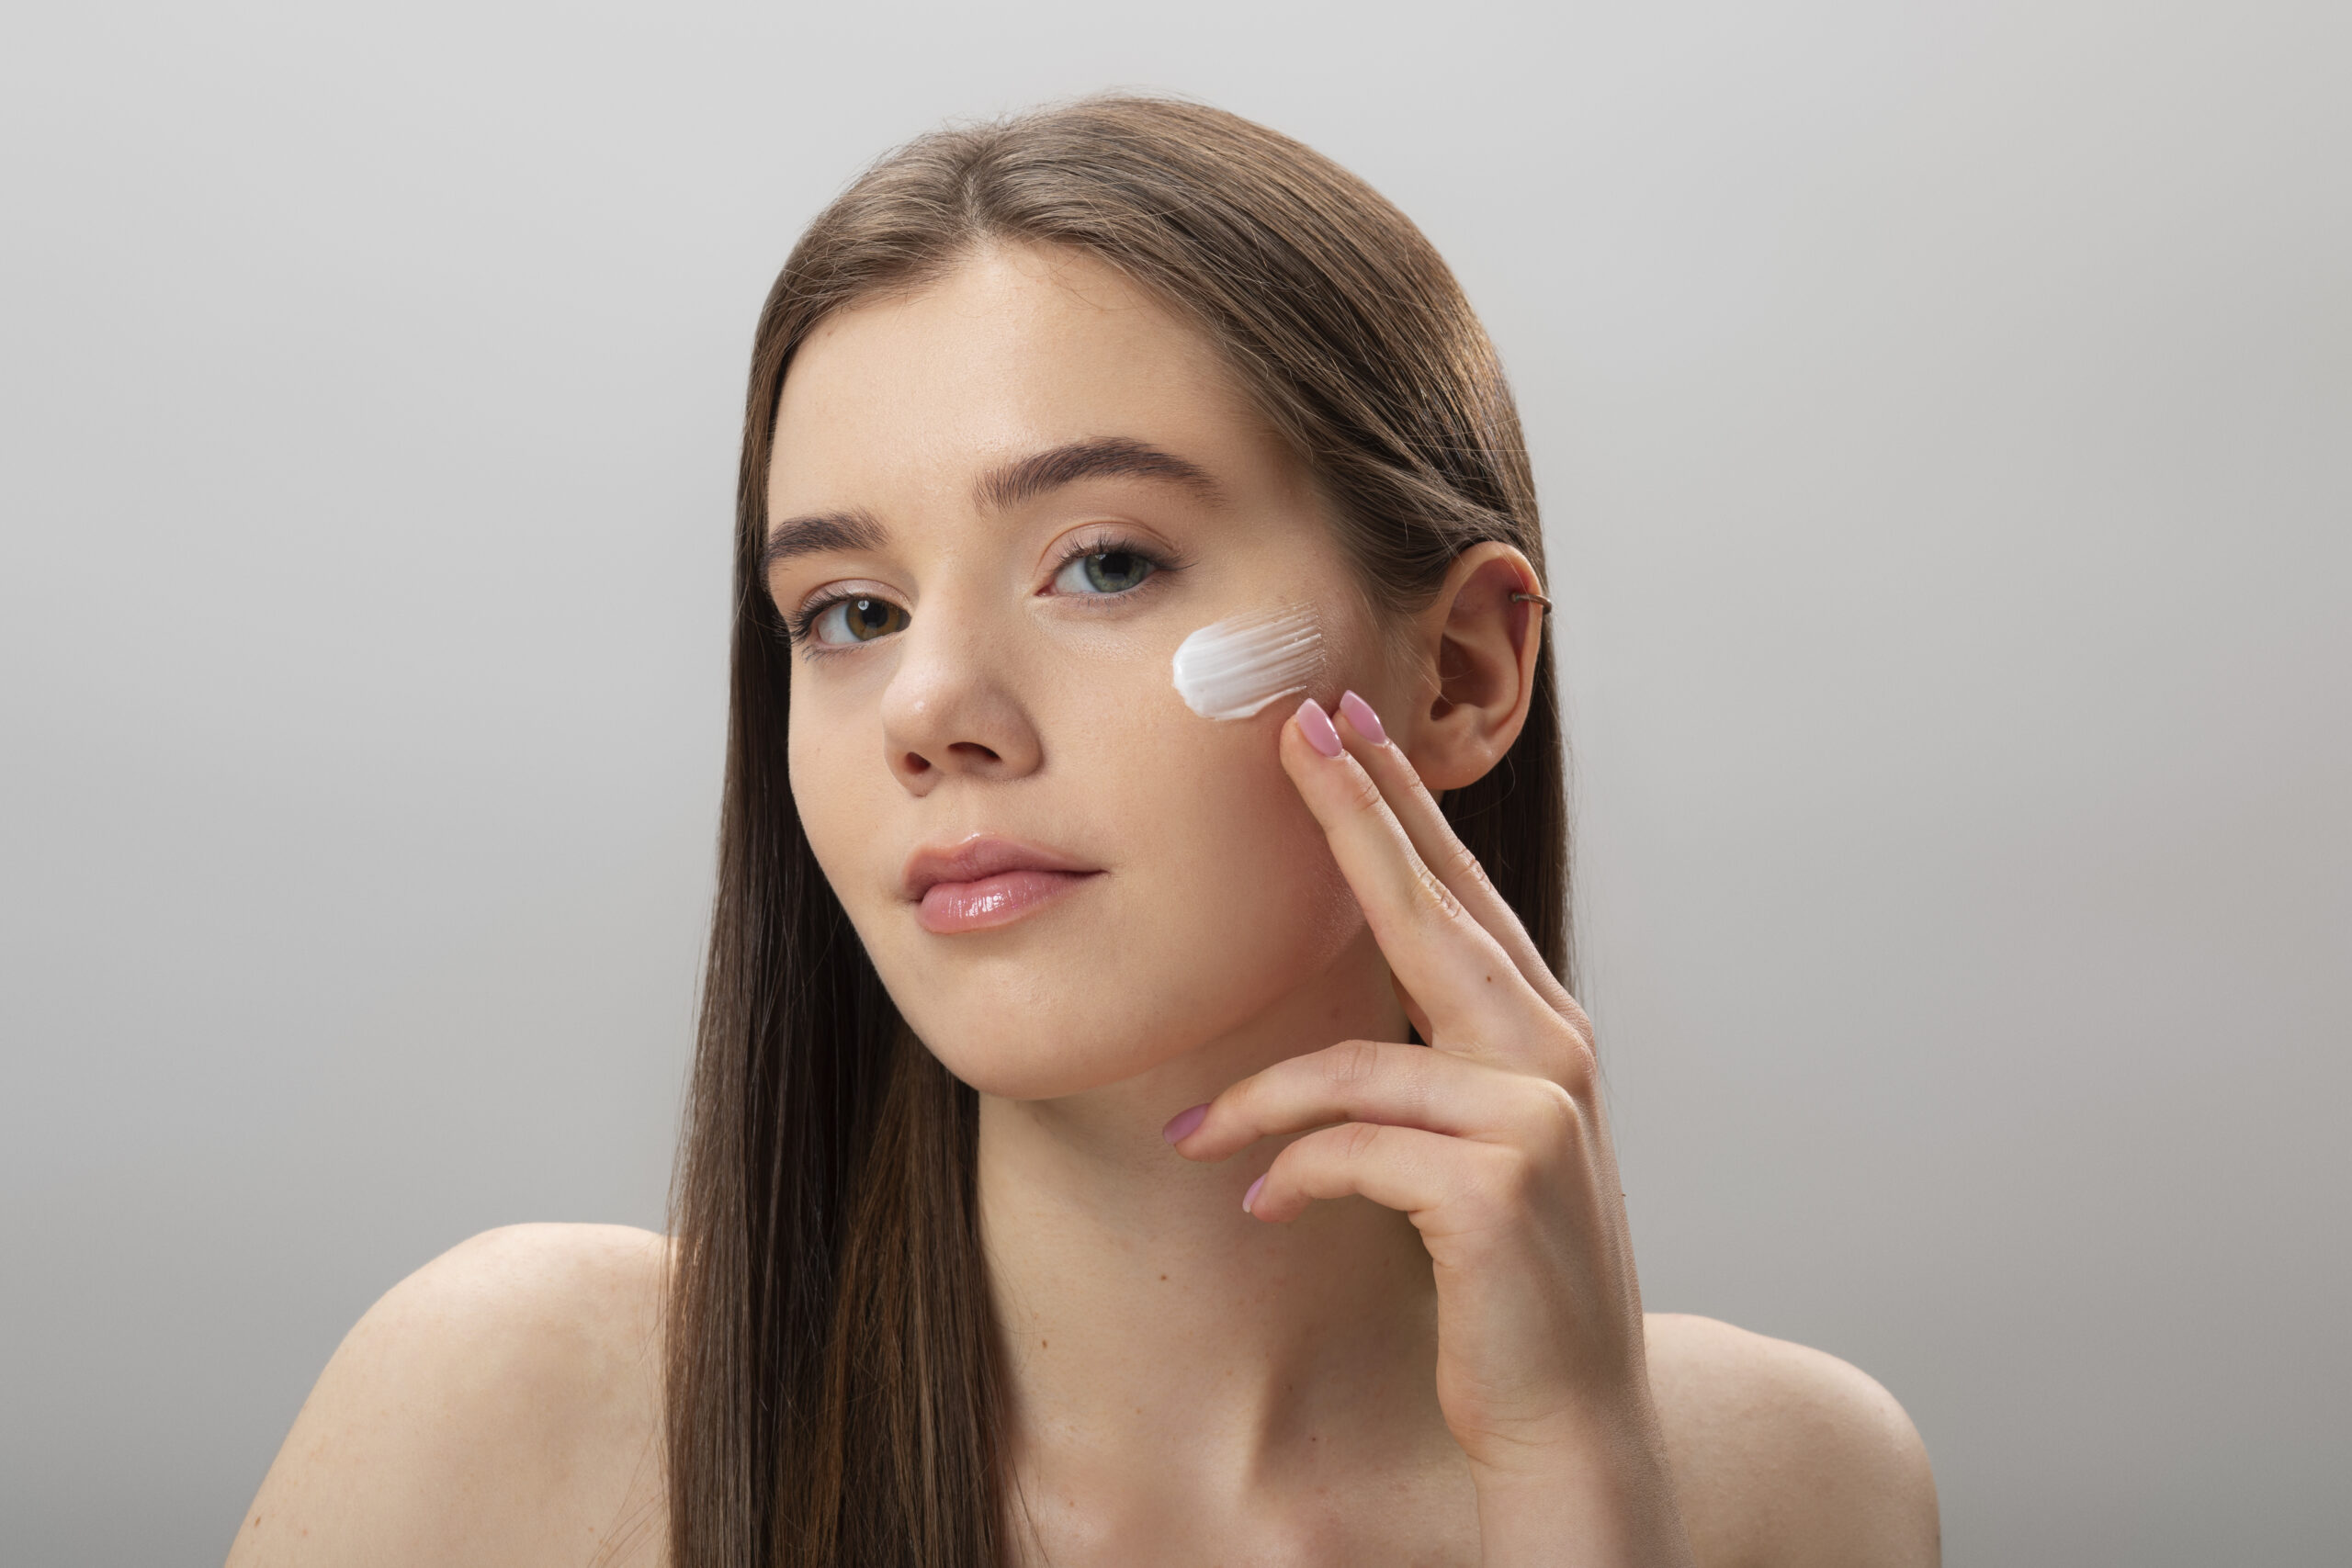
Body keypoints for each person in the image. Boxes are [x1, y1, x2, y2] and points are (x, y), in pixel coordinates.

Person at [227, 95, 1939, 1568]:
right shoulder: (514, 1416)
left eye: (1103, 563)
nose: (929, 706)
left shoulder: (1789, 1488)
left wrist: (1574, 1477)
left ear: (1468, 671)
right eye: (847, 611)